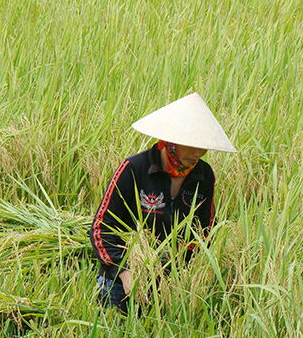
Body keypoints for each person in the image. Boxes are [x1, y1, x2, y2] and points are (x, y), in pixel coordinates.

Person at [89, 93, 236, 315]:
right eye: (193, 145)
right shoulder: (133, 169)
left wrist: (188, 276)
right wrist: (125, 271)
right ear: (172, 141)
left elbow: (204, 232)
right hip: (121, 281)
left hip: (170, 285)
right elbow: (101, 228)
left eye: (203, 146)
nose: (199, 153)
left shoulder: (203, 175)